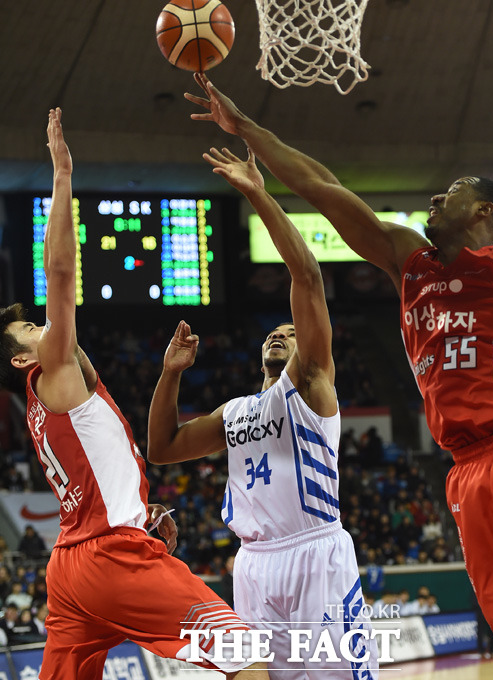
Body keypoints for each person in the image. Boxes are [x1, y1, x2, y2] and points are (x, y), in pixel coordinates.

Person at [184, 73, 493, 679]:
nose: (433, 201)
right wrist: (247, 129)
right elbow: (322, 186)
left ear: (482, 211)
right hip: (468, 470)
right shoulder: (406, 260)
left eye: (449, 193)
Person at [0, 109, 268, 680]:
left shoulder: (59, 396)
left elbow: (100, 469)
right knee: (245, 654)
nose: (44, 327)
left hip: (72, 566)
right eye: (31, 330)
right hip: (109, 556)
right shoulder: (52, 374)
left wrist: (139, 511)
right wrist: (62, 178)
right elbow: (61, 276)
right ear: (24, 358)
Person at [148, 147, 378, 679]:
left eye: (291, 332)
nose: (279, 332)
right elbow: (161, 450)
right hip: (252, 563)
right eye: (272, 332)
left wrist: (257, 192)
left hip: (315, 554)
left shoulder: (312, 384)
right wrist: (170, 373)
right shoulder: (235, 412)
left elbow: (307, 275)